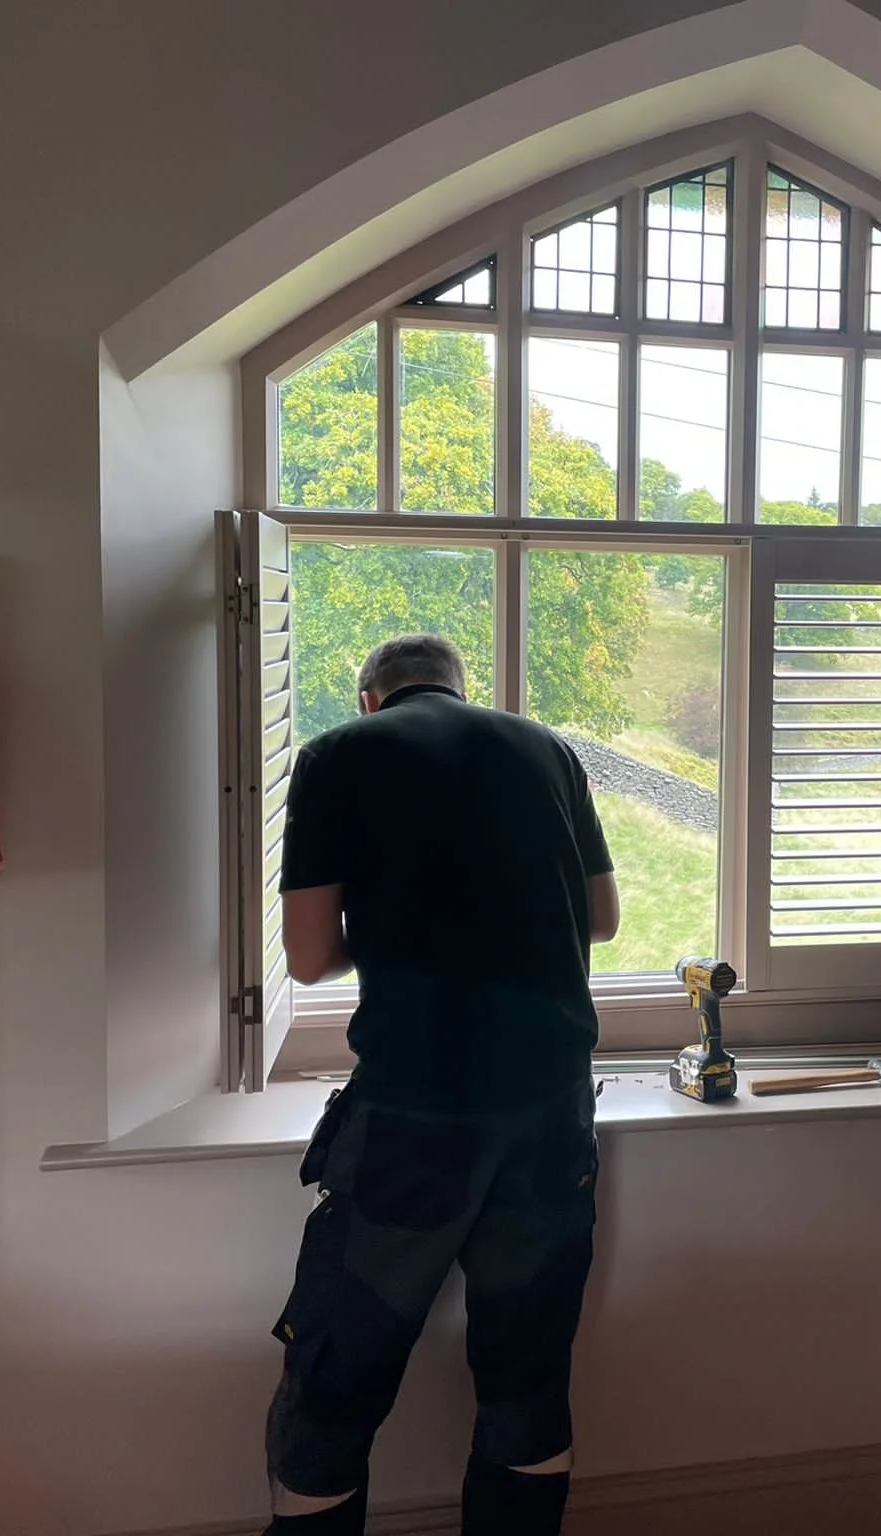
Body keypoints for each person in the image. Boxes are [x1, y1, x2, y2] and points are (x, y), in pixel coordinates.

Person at [262, 633, 619, 1536]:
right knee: (528, 1376)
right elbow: (604, 919)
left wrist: (394, 937)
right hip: (550, 1110)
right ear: (465, 692)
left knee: (336, 1379)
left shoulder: (338, 755)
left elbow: (306, 960)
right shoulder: (548, 750)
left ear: (372, 697)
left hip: (416, 1120)